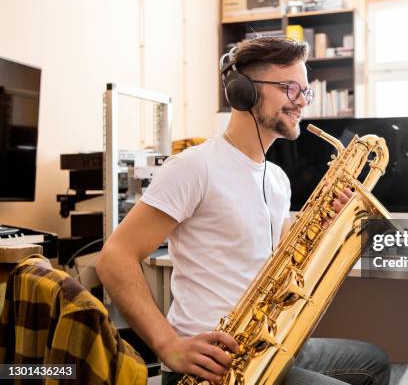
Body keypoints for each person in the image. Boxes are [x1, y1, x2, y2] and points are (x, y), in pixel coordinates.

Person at [96, 36, 391, 385]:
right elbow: (114, 257)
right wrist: (169, 345)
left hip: (265, 341)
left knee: (375, 361)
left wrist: (327, 224)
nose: (301, 103)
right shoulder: (195, 167)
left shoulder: (277, 179)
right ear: (244, 91)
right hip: (214, 365)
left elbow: (280, 258)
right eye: (290, 89)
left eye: (305, 93)